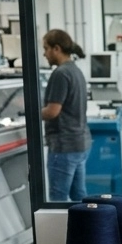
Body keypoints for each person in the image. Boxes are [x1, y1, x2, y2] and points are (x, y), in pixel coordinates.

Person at [41, 29, 91, 202]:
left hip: (63, 146)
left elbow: (53, 111)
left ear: (56, 48)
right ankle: (84, 229)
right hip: (79, 142)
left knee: (58, 198)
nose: (44, 54)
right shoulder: (75, 71)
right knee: (79, 196)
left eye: (46, 48)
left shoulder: (60, 73)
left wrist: (31, 114)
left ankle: (59, 230)